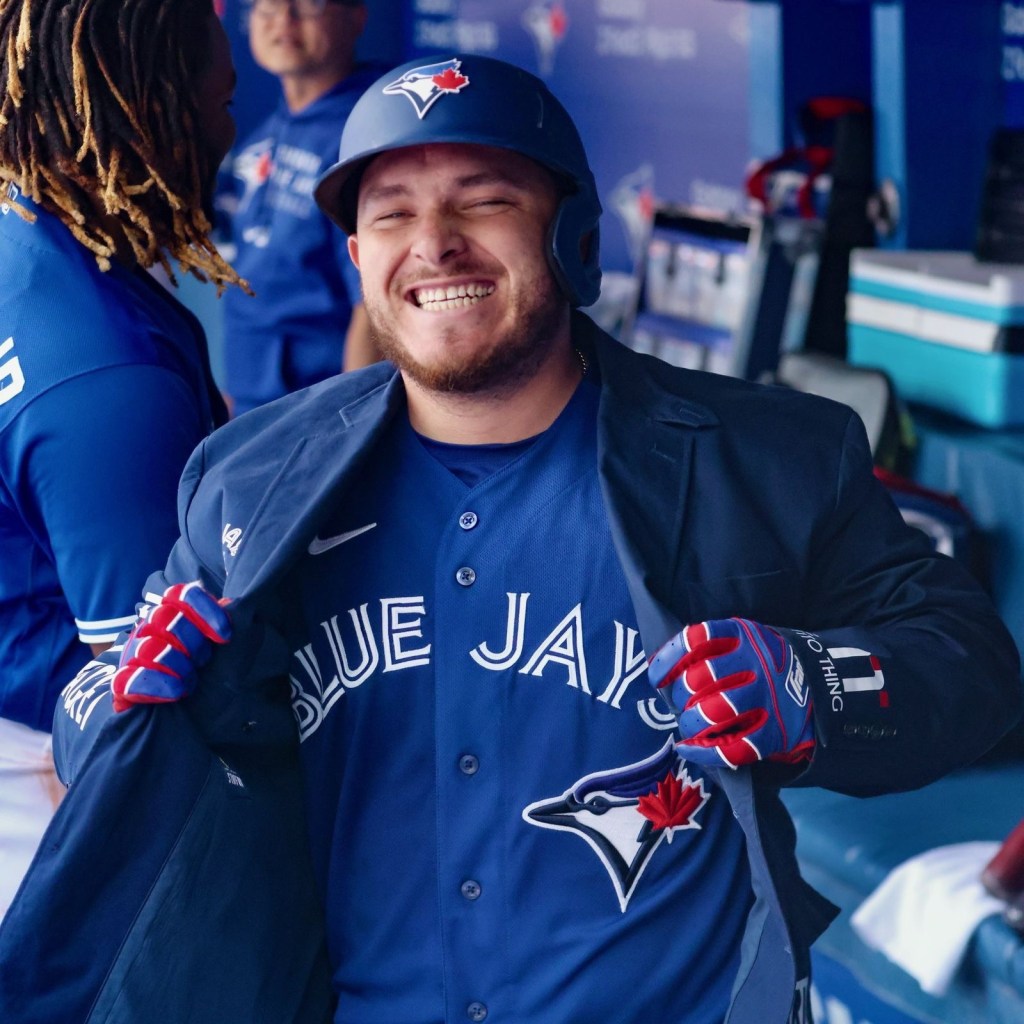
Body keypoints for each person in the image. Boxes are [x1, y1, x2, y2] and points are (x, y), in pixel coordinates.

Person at [8, 55, 1022, 1024]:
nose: (433, 244)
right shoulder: (248, 479)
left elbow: (969, 664)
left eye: (484, 200)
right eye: (391, 213)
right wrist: (132, 707)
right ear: (358, 258)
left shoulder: (764, 460)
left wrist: (814, 687)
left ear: (573, 235)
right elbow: (94, 732)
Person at [0, 0, 245, 923]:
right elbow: (142, 709)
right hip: (45, 778)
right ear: (146, 106)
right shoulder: (106, 367)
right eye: (220, 103)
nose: (230, 134)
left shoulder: (19, 237)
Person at [215, 0, 383, 417]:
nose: (283, 21)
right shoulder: (266, 133)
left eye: (307, 6)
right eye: (268, 7)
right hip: (255, 405)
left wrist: (353, 427)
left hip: (320, 410)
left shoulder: (366, 131)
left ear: (356, 17)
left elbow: (374, 303)